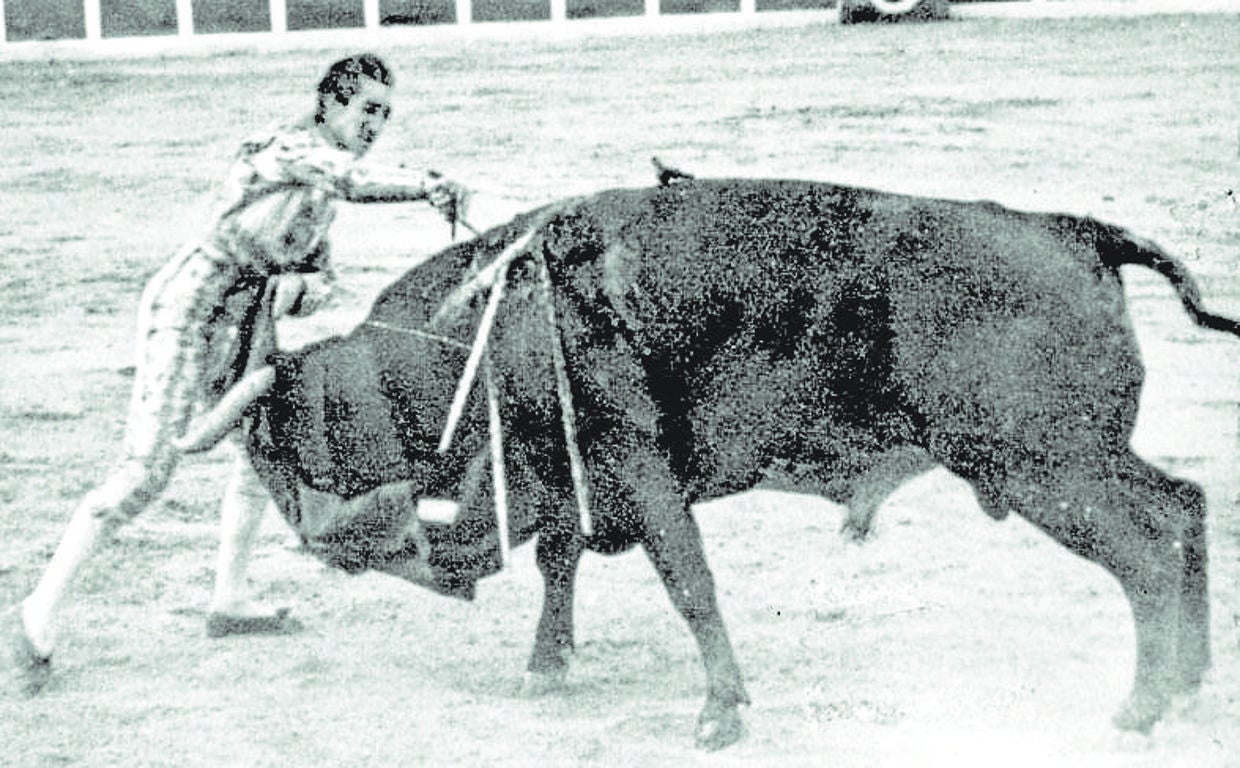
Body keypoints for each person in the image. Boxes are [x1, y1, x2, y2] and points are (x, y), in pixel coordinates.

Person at [8, 52, 468, 694]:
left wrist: (303, 292)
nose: (375, 124)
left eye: (384, 114)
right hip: (189, 310)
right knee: (146, 470)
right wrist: (425, 185)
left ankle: (229, 597)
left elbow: (320, 277)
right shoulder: (284, 149)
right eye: (367, 109)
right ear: (330, 104)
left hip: (245, 322)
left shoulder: (320, 197)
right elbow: (349, 178)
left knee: (260, 453)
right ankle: (38, 610)